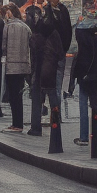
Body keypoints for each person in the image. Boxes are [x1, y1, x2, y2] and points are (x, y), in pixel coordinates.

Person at [28, 9, 63, 137]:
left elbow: (32, 54)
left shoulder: (36, 35)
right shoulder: (55, 34)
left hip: (39, 70)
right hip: (51, 70)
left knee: (37, 99)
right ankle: (56, 123)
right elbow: (60, 54)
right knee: (53, 97)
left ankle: (36, 128)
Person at [72, 16, 97, 146]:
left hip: (84, 77)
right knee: (95, 104)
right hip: (95, 76)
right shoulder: (94, 40)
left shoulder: (82, 42)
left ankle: (84, 136)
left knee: (83, 104)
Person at [1, 4, 31, 133]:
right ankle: (18, 123)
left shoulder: (8, 27)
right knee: (19, 95)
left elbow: (3, 46)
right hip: (24, 65)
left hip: (11, 66)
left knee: (13, 97)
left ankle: (16, 124)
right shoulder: (26, 27)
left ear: (9, 13)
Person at [42, 0, 74, 103]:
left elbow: (68, 30)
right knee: (47, 82)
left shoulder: (63, 9)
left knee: (58, 83)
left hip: (60, 51)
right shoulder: (45, 10)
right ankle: (46, 106)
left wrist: (65, 47)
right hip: (47, 53)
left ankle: (56, 113)